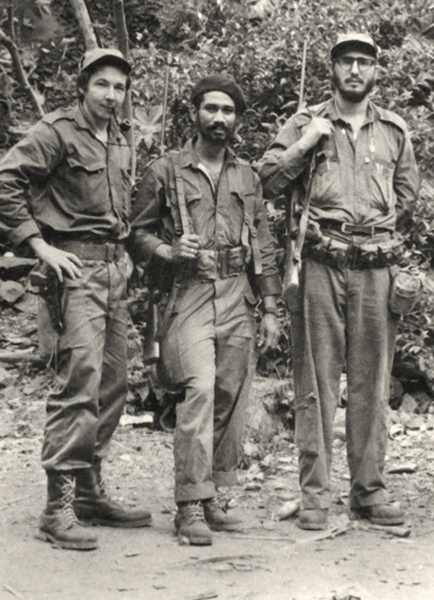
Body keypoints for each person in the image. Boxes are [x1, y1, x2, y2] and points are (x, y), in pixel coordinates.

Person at [257, 33, 419, 530]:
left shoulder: (394, 130)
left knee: (372, 387)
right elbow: (268, 179)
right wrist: (307, 144)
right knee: (315, 383)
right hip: (321, 265)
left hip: (376, 267)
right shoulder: (305, 122)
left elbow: (408, 197)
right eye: (346, 61)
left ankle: (369, 492)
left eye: (364, 62)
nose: (354, 70)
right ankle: (315, 497)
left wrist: (382, 242)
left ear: (375, 71)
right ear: (332, 68)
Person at [0, 48, 152, 551]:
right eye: (102, 85)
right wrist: (39, 245)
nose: (112, 96)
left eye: (120, 88)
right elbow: (6, 182)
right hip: (75, 273)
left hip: (114, 273)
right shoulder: (57, 132)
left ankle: (88, 491)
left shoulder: (122, 142)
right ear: (83, 86)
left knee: (113, 384)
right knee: (78, 383)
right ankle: (56, 506)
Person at [130, 75, 282, 545]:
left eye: (228, 111)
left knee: (231, 394)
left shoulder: (247, 175)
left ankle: (214, 495)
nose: (220, 118)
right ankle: (189, 504)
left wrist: (272, 306)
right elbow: (135, 234)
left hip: (239, 292)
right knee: (198, 387)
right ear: (195, 112)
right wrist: (168, 250)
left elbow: (263, 243)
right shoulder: (166, 170)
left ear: (238, 119)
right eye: (211, 108)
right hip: (188, 290)